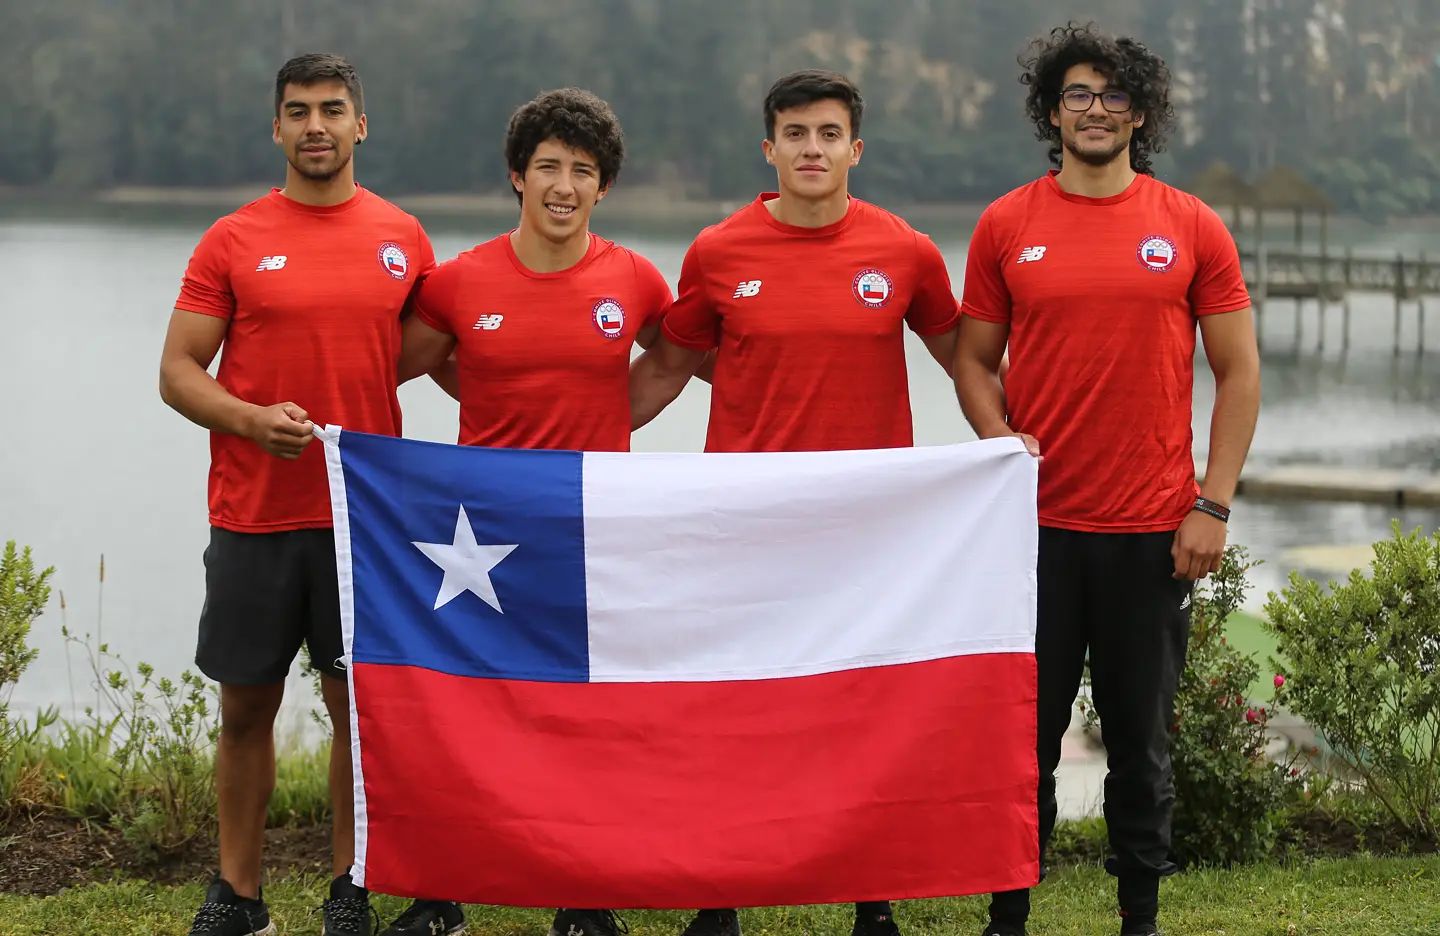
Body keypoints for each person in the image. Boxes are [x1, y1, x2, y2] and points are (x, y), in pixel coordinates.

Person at [628, 69, 960, 936]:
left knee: (862, 710)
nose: (813, 149)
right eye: (796, 134)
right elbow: (665, 369)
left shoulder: (908, 253)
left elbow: (967, 358)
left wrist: (1017, 435)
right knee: (739, 707)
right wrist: (555, 449)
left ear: (856, 149)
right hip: (747, 522)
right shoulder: (718, 251)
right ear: (769, 148)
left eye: (828, 134)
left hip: (869, 529)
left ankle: (872, 901)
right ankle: (719, 898)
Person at [952, 23, 1262, 936]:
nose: (1096, 109)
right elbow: (972, 360)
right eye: (1079, 94)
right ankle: (1008, 916)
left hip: (1151, 536)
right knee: (1023, 743)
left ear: (1141, 114)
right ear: (1053, 112)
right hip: (1034, 533)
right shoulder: (1006, 224)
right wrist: (1000, 439)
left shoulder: (1191, 225)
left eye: (1114, 95)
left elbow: (1239, 372)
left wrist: (1212, 502)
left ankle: (1140, 919)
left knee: (1141, 746)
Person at [159, 53, 435, 936]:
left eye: (333, 109)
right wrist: (248, 420)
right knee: (246, 707)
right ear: (277, 127)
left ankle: (350, 888)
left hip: (363, 521)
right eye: (299, 110)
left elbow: (440, 353)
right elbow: (178, 371)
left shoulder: (403, 236)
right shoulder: (232, 239)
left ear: (362, 125)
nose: (317, 125)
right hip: (255, 515)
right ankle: (238, 896)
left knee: (357, 711)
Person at [393, 87, 672, 936]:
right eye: (548, 166)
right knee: (467, 713)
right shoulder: (459, 281)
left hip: (593, 532)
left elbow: (674, 362)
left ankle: (584, 897)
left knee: (585, 715)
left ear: (603, 187)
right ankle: (440, 894)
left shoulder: (635, 279)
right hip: (480, 540)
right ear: (518, 176)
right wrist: (489, 398)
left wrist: (611, 417)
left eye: (582, 171)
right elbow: (394, 365)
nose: (564, 185)